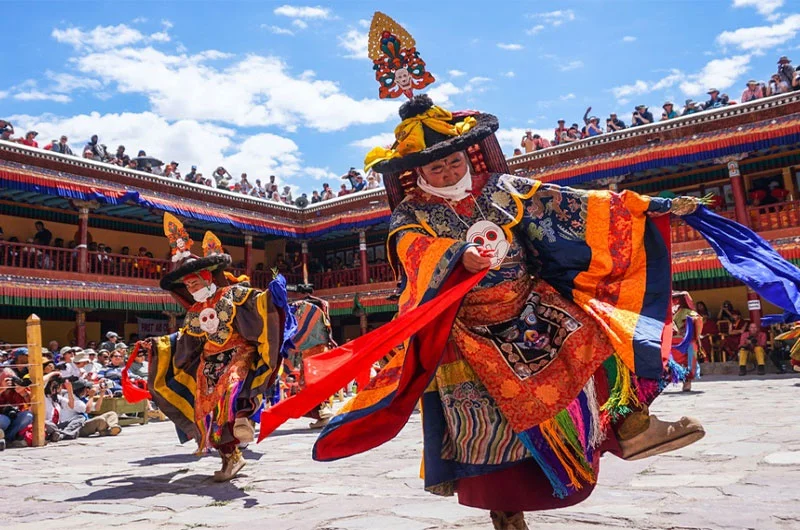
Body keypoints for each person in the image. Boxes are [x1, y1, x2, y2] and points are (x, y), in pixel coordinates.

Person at [309, 94, 710, 529]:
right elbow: (413, 250)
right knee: (492, 428)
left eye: (454, 161)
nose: (448, 172)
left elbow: (571, 205)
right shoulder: (412, 214)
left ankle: (633, 427)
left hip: (533, 307)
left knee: (598, 336)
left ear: (468, 154)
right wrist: (458, 256)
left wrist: (648, 205)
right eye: (435, 167)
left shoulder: (502, 188)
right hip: (467, 331)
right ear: (417, 172)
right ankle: (506, 514)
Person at [125, 217, 293, 481]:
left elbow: (258, 304)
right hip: (208, 364)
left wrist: (273, 293)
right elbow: (185, 343)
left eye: (194, 284)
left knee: (233, 388)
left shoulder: (232, 295)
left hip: (238, 354)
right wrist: (158, 346)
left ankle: (245, 419)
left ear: (207, 278)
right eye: (188, 287)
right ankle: (231, 457)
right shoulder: (194, 313)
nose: (191, 289)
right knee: (208, 412)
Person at [670, 292, 703, 392]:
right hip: (672, 341)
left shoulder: (687, 311)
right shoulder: (672, 311)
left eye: (676, 299)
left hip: (684, 341)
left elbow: (697, 320)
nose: (674, 301)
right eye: (673, 299)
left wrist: (687, 326)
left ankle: (687, 382)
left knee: (687, 362)